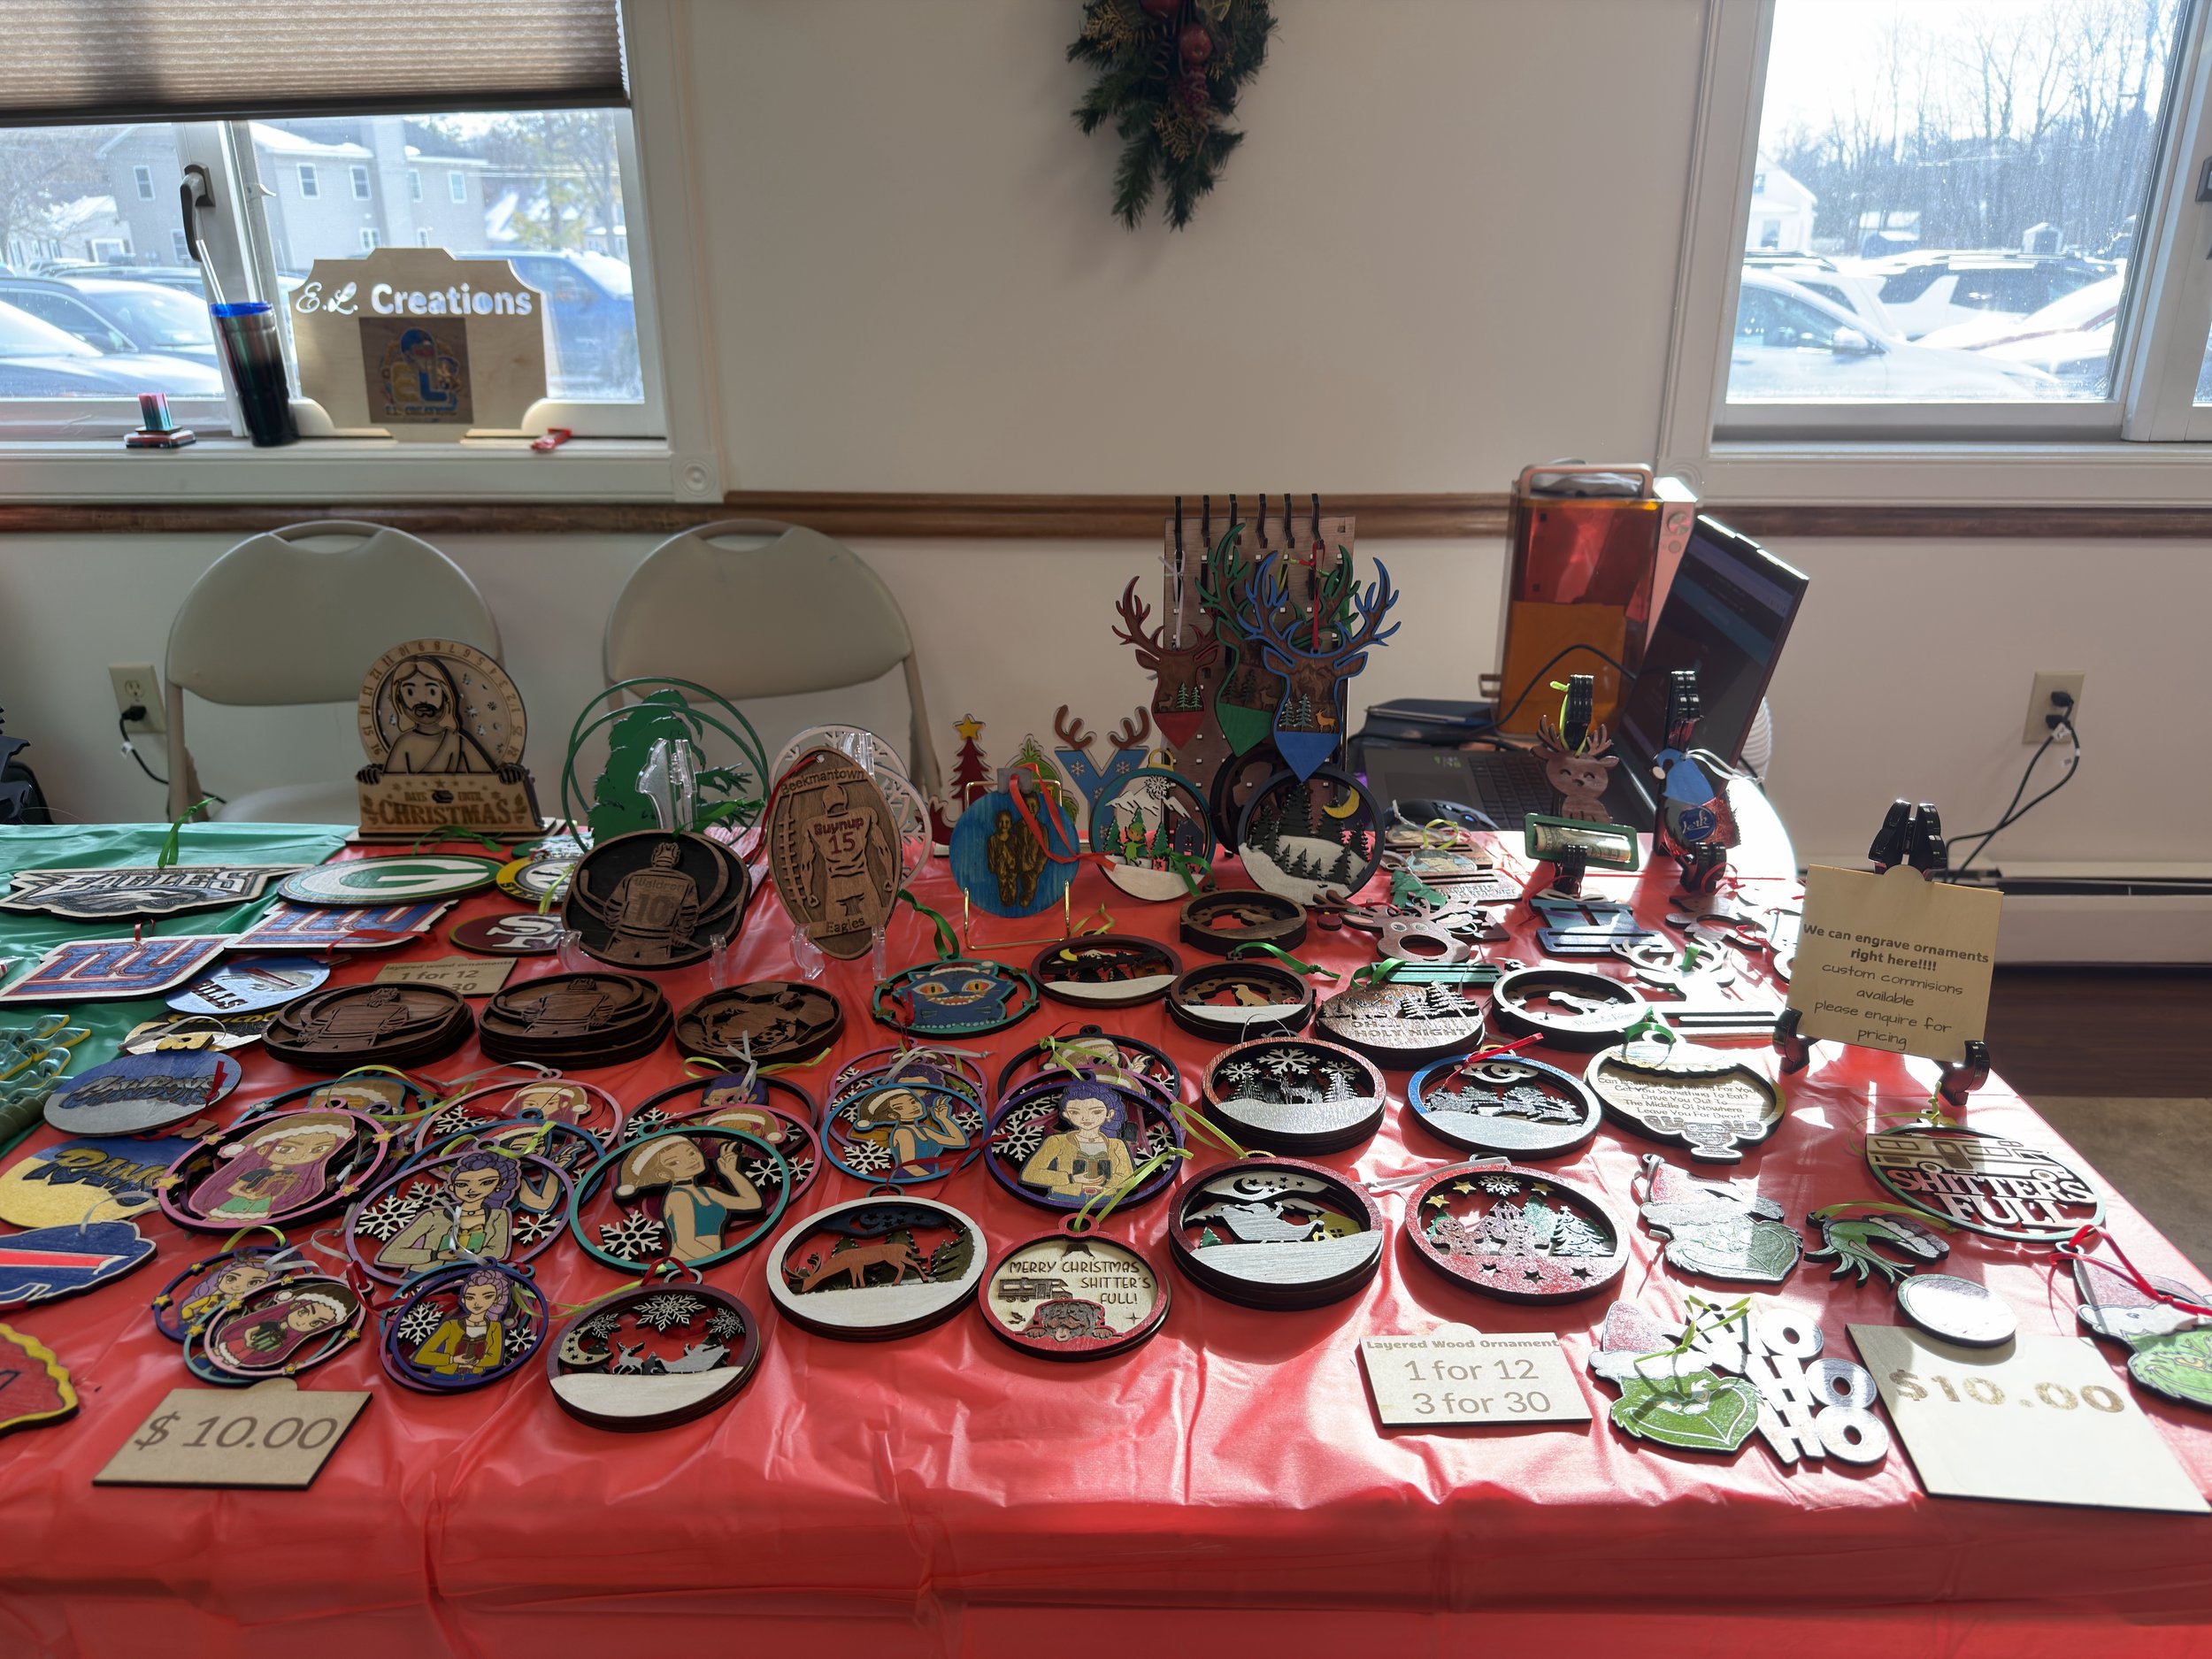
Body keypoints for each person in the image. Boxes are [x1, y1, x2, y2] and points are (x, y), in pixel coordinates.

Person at [614, 1136, 763, 1263]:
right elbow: (687, 1243)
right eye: (674, 1162)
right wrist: (722, 1258)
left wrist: (731, 1172)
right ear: (663, 1175)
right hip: (687, 1263)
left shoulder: (707, 1192)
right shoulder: (679, 1196)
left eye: (691, 1152)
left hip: (708, 1259)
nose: (690, 1160)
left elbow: (753, 1202)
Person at [187, 1116, 356, 1222]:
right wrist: (248, 1195)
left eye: (319, 1150)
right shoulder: (260, 1171)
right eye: (287, 1149)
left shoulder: (302, 1176)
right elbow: (235, 1187)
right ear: (262, 1149)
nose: (300, 1156)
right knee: (224, 1218)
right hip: (240, 1203)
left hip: (267, 1206)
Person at [375, 1152, 517, 1271]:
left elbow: (497, 1253)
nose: (472, 1189)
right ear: (451, 1187)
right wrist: (435, 1254)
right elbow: (389, 1254)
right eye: (462, 1184)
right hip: (422, 1279)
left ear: (500, 1184)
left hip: (471, 1281)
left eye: (486, 1182)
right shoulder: (432, 1216)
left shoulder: (498, 1216)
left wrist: (464, 1257)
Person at [1020, 1081, 1138, 1200]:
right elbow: (1030, 1174)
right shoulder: (1057, 1141)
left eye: (1096, 1111)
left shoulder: (1116, 1144)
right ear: (1066, 1114)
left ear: (1109, 1114)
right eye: (1075, 1112)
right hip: (1064, 1198)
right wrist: (1071, 1178)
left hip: (1104, 1200)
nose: (1086, 1118)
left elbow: (1129, 1179)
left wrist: (1104, 1181)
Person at [210, 1286, 353, 1373]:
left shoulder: (287, 1344)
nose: (303, 1322)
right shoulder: (271, 1323)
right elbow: (250, 1330)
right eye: (304, 1312)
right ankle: (219, 1357)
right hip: (240, 1343)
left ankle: (227, 1362)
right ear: (293, 1306)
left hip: (251, 1355)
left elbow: (273, 1352)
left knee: (236, 1360)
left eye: (316, 1323)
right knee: (225, 1353)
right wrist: (247, 1338)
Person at [410, 1268, 515, 1378]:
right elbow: (421, 1356)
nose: (477, 1303)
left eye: (487, 1296)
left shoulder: (495, 1327)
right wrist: (453, 1359)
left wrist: (476, 1363)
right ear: (463, 1300)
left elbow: (495, 1359)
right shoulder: (450, 1325)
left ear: (497, 1299)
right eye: (470, 1297)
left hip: (476, 1378)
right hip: (443, 1376)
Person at [849, 1086, 971, 1179]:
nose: (912, 1107)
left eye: (913, 1102)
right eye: (900, 1107)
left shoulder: (925, 1130)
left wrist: (944, 1119)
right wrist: (930, 1177)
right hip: (910, 1178)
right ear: (891, 1115)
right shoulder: (903, 1133)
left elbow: (960, 1142)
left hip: (928, 1178)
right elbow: (908, 1166)